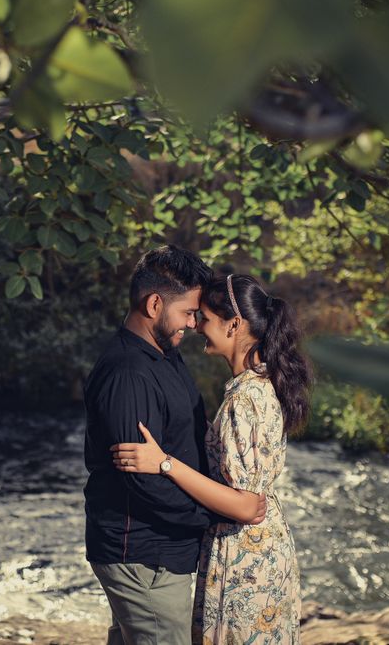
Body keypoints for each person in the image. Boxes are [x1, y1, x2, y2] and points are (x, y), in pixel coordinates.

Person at [112, 273, 311, 644]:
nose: (196, 326)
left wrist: (164, 463)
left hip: (245, 555)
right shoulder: (258, 385)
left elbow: (247, 505)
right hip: (263, 549)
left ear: (234, 324)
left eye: (203, 317)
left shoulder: (244, 400)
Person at [84, 247, 267, 645]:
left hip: (164, 551)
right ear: (154, 304)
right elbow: (142, 483)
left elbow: (185, 438)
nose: (195, 323)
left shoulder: (165, 355)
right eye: (188, 312)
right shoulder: (128, 373)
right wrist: (214, 513)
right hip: (143, 555)